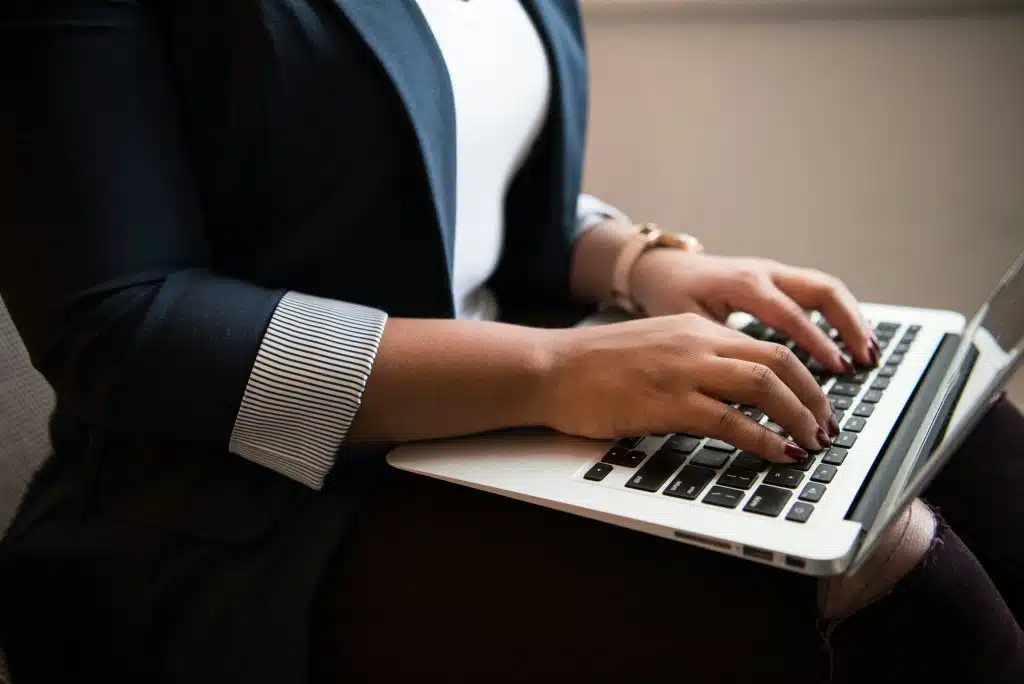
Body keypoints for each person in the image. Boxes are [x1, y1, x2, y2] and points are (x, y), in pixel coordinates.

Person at [0, 1, 1020, 682]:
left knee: (967, 440)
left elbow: (444, 178)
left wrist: (642, 264)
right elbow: (118, 323)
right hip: (232, 512)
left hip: (500, 430)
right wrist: (558, 370)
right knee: (897, 576)